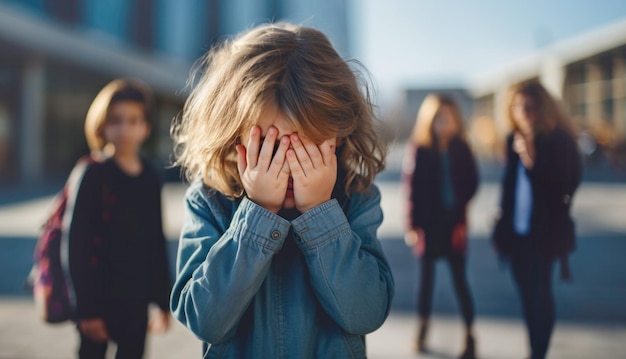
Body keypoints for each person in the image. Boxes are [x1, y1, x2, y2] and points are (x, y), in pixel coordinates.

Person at [169, 22, 395, 358]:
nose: (289, 167)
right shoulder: (210, 200)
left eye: (308, 150)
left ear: (340, 136)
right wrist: (257, 214)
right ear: (234, 136)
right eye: (270, 148)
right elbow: (205, 320)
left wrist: (321, 214)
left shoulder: (355, 197)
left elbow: (365, 313)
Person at [67, 78, 172, 359]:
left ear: (146, 127)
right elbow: (76, 245)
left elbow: (155, 240)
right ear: (102, 124)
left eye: (134, 120)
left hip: (135, 303)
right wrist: (86, 310)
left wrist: (163, 301)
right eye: (116, 120)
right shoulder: (92, 174)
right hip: (97, 300)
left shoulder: (151, 176)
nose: (125, 128)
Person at [492, 80, 582, 359]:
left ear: (543, 109)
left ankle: (537, 352)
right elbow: (508, 188)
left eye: (530, 107)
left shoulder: (559, 141)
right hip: (516, 233)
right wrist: (501, 220)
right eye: (518, 107)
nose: (524, 112)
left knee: (541, 295)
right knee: (527, 296)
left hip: (545, 235)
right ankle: (534, 347)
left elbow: (565, 187)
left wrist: (533, 162)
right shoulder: (513, 139)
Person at [402, 94, 479, 359]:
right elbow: (410, 190)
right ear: (429, 121)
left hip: (454, 223)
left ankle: (470, 335)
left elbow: (473, 182)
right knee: (426, 282)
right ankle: (422, 328)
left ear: (457, 121)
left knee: (460, 281)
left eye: (449, 119)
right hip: (428, 225)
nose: (445, 125)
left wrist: (461, 209)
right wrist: (412, 225)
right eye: (439, 119)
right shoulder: (420, 149)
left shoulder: (462, 148)